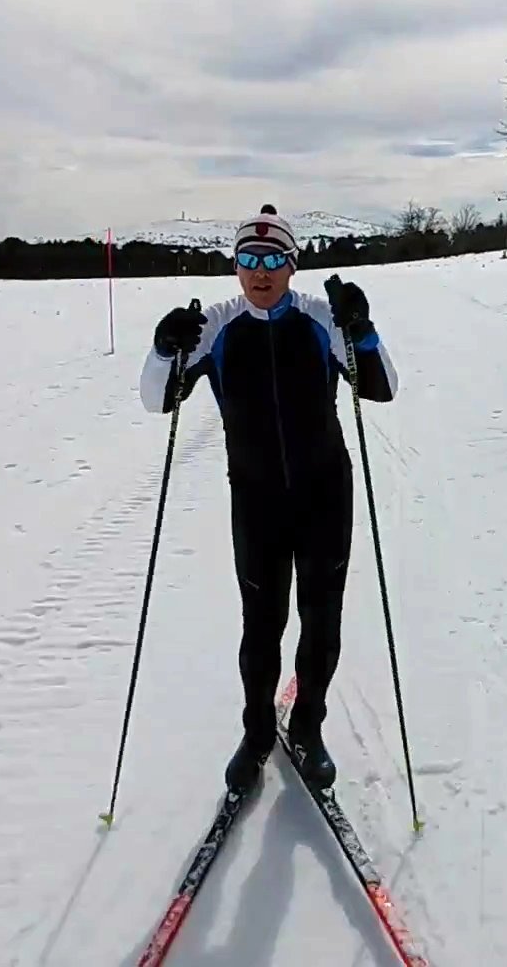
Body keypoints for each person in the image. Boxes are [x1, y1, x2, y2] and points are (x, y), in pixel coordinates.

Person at [138, 204, 398, 794]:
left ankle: (307, 727)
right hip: (255, 502)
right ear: (235, 266)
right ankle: (257, 734)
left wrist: (362, 328)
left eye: (273, 259)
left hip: (325, 494)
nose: (260, 271)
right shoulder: (216, 327)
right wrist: (162, 348)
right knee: (261, 626)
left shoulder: (320, 319)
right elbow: (158, 401)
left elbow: (381, 387)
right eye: (249, 260)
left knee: (321, 620)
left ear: (291, 263)